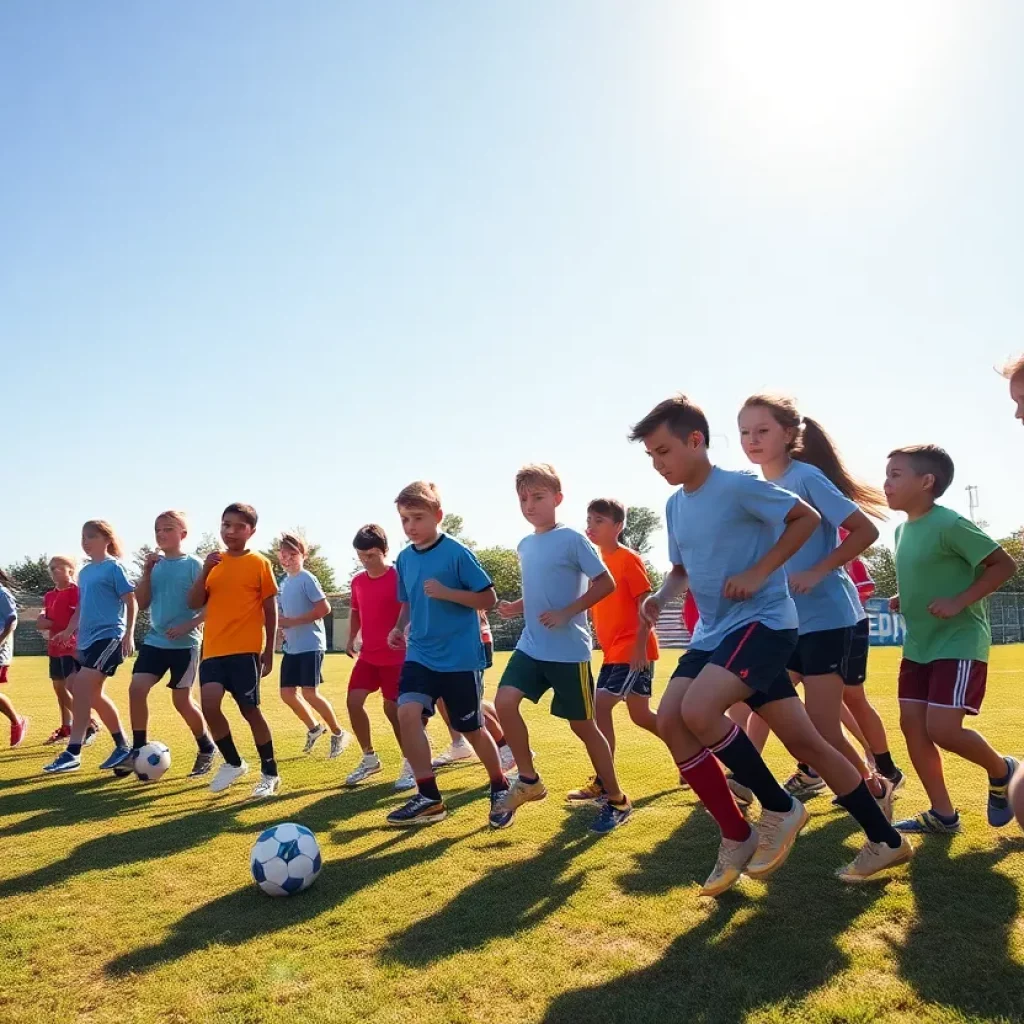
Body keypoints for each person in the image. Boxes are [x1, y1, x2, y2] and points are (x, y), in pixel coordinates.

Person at [631, 395, 911, 895]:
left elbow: (805, 518)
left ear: (695, 441)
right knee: (692, 723)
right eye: (650, 455)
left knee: (698, 709)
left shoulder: (739, 487)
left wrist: (760, 572)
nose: (657, 464)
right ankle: (879, 838)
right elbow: (680, 570)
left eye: (664, 451)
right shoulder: (675, 505)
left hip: (762, 623)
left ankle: (779, 808)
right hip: (714, 633)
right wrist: (661, 596)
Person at [736, 395, 897, 810]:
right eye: (744, 432)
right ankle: (747, 780)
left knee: (823, 729)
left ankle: (875, 790)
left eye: (762, 430)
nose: (752, 440)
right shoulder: (753, 488)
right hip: (786, 622)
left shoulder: (806, 478)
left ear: (789, 434)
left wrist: (818, 570)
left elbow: (865, 531)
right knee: (764, 704)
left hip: (828, 619)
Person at [884, 445, 1018, 835]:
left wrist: (959, 600)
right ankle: (943, 814)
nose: (886, 483)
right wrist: (904, 596)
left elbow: (1004, 564)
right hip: (918, 647)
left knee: (942, 729)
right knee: (912, 726)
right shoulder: (901, 530)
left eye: (895, 475)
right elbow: (929, 572)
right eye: (887, 474)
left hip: (958, 642)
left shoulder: (950, 523)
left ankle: (1003, 770)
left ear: (927, 482)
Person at [494, 464, 633, 834]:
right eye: (523, 498)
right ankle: (528, 780)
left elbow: (606, 583)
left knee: (583, 726)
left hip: (569, 653)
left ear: (557, 498)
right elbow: (541, 589)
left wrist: (567, 612)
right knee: (504, 702)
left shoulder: (572, 538)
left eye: (538, 497)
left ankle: (617, 800)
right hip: (531, 646)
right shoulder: (525, 545)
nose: (529, 505)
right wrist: (516, 607)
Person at [385, 481, 510, 827]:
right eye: (404, 519)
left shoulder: (457, 552)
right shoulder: (404, 558)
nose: (410, 526)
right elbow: (409, 602)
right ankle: (429, 797)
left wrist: (448, 593)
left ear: (438, 515)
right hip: (420, 653)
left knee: (470, 728)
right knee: (406, 713)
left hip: (459, 658)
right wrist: (398, 627)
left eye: (418, 517)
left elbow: (488, 599)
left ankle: (500, 786)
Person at [565, 498, 659, 803]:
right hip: (613, 652)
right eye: (589, 520)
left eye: (599, 521)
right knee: (642, 716)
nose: (590, 526)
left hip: (632, 649)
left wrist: (640, 646)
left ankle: (604, 782)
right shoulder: (593, 564)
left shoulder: (628, 559)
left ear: (618, 527)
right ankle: (690, 749)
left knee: (598, 707)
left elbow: (646, 605)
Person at [187, 503, 281, 799]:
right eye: (226, 524)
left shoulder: (259, 563)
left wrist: (269, 650)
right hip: (213, 650)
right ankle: (233, 763)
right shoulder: (214, 562)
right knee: (209, 705)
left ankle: (270, 773)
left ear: (251, 531)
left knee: (249, 710)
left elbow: (270, 608)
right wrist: (205, 569)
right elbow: (194, 602)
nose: (231, 531)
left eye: (239, 526)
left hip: (245, 651)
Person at [125, 511, 217, 779]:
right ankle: (138, 750)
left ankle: (207, 748)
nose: (161, 534)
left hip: (186, 645)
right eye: (157, 530)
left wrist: (191, 624)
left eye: (167, 529)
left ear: (183, 534)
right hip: (155, 641)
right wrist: (146, 572)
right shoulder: (154, 565)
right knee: (136, 689)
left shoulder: (194, 565)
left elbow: (213, 602)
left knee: (182, 701)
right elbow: (142, 603)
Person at [42, 521, 136, 774]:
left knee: (81, 685)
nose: (85, 542)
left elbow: (131, 601)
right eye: (83, 537)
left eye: (91, 536)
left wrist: (129, 633)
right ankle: (122, 746)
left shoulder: (114, 567)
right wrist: (68, 631)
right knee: (82, 689)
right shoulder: (84, 573)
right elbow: (81, 608)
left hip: (109, 637)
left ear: (107, 539)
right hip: (87, 641)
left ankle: (73, 752)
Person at [344, 524, 413, 790]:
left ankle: (411, 762)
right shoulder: (357, 582)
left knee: (393, 710)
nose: (365, 560)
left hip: (397, 657)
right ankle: (369, 759)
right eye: (361, 555)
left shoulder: (400, 577)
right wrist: (351, 637)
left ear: (385, 551)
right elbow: (356, 611)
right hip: (368, 656)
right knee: (353, 702)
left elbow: (412, 609)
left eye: (371, 555)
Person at [276, 532, 351, 758]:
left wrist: (293, 622)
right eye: (284, 554)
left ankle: (338, 733)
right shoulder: (283, 582)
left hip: (311, 645)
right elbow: (281, 614)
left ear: (303, 556)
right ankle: (314, 728)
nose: (288, 559)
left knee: (310, 693)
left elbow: (324, 609)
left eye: (293, 554)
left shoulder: (306, 578)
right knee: (287, 693)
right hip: (292, 647)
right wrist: (281, 627)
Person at [432, 610, 517, 775]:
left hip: (466, 643)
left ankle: (507, 749)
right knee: (451, 699)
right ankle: (463, 745)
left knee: (468, 704)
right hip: (457, 642)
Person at [36, 556, 96, 746]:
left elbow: (79, 618)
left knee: (74, 689)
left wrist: (51, 623)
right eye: (51, 568)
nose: (54, 571)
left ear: (71, 570)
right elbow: (46, 619)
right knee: (59, 689)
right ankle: (66, 726)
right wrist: (42, 621)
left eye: (58, 568)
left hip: (73, 648)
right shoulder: (49, 595)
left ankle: (88, 724)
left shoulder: (77, 592)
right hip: (55, 647)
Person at [0, 570, 28, 748]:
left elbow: (12, 620)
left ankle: (17, 721)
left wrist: (1, 640)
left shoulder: (2, 593)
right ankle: (17, 721)